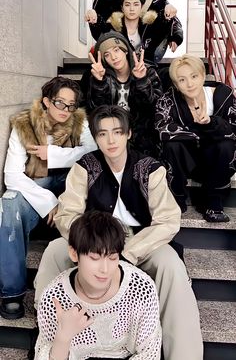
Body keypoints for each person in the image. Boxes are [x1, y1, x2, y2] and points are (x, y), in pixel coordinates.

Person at [34, 105, 203, 360]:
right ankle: (47, 341)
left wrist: (127, 252)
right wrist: (89, 242)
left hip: (142, 240)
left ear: (128, 134)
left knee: (170, 264)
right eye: (102, 134)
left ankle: (184, 355)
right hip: (96, 239)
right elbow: (67, 214)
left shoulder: (150, 168)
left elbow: (168, 220)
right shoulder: (85, 167)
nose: (110, 140)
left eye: (117, 132)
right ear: (95, 137)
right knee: (55, 250)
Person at [0, 76, 97, 320]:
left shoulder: (80, 122)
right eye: (59, 103)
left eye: (71, 104)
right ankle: (11, 292)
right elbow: (12, 175)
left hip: (71, 185)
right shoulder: (24, 124)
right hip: (37, 190)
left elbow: (93, 154)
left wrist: (51, 154)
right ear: (46, 101)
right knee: (9, 203)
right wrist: (51, 203)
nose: (65, 110)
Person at [34, 210, 162, 359]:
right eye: (94, 258)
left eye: (113, 258)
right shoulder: (54, 297)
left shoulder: (141, 288)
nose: (105, 270)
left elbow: (149, 353)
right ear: (74, 254)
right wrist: (63, 337)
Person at [155, 54, 236, 221]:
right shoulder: (168, 99)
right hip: (186, 162)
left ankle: (214, 203)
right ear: (176, 84)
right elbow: (162, 129)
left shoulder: (223, 94)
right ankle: (177, 200)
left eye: (194, 76)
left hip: (216, 162)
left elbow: (233, 129)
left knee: (226, 145)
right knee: (172, 145)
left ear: (202, 76)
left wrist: (211, 123)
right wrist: (197, 134)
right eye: (182, 80)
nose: (190, 84)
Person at [80, 30, 162, 157]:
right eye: (107, 54)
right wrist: (99, 83)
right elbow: (96, 110)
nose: (113, 57)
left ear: (125, 51)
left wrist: (142, 81)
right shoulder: (99, 76)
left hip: (141, 133)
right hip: (111, 131)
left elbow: (154, 108)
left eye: (117, 50)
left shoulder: (147, 72)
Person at [88, 0, 181, 61]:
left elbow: (173, 20)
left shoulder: (158, 0)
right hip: (123, 47)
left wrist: (175, 37)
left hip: (148, 50)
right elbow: (98, 14)